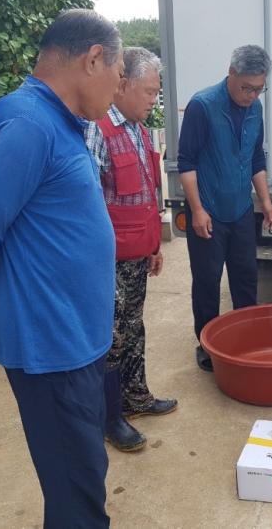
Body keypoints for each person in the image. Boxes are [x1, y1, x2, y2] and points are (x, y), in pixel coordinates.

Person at [0, 9, 123, 526]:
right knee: (75, 488)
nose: (116, 92)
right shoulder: (26, 123)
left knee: (82, 472)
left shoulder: (60, 123)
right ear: (92, 59)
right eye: (116, 77)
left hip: (75, 339)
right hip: (51, 345)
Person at [85, 47, 178, 453]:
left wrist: (155, 244)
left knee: (134, 328)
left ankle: (136, 397)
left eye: (156, 93)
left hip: (139, 255)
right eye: (148, 92)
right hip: (108, 260)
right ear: (122, 85)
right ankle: (110, 420)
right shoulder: (98, 130)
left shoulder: (139, 131)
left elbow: (146, 194)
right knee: (113, 337)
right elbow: (85, 204)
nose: (153, 101)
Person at [177, 45, 272, 372]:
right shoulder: (202, 106)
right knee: (207, 282)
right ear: (231, 73)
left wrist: (264, 199)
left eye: (258, 88)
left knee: (246, 278)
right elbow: (187, 162)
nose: (251, 95)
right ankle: (206, 345)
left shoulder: (255, 109)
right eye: (245, 87)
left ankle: (247, 339)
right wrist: (197, 209)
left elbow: (256, 157)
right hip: (209, 211)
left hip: (240, 210)